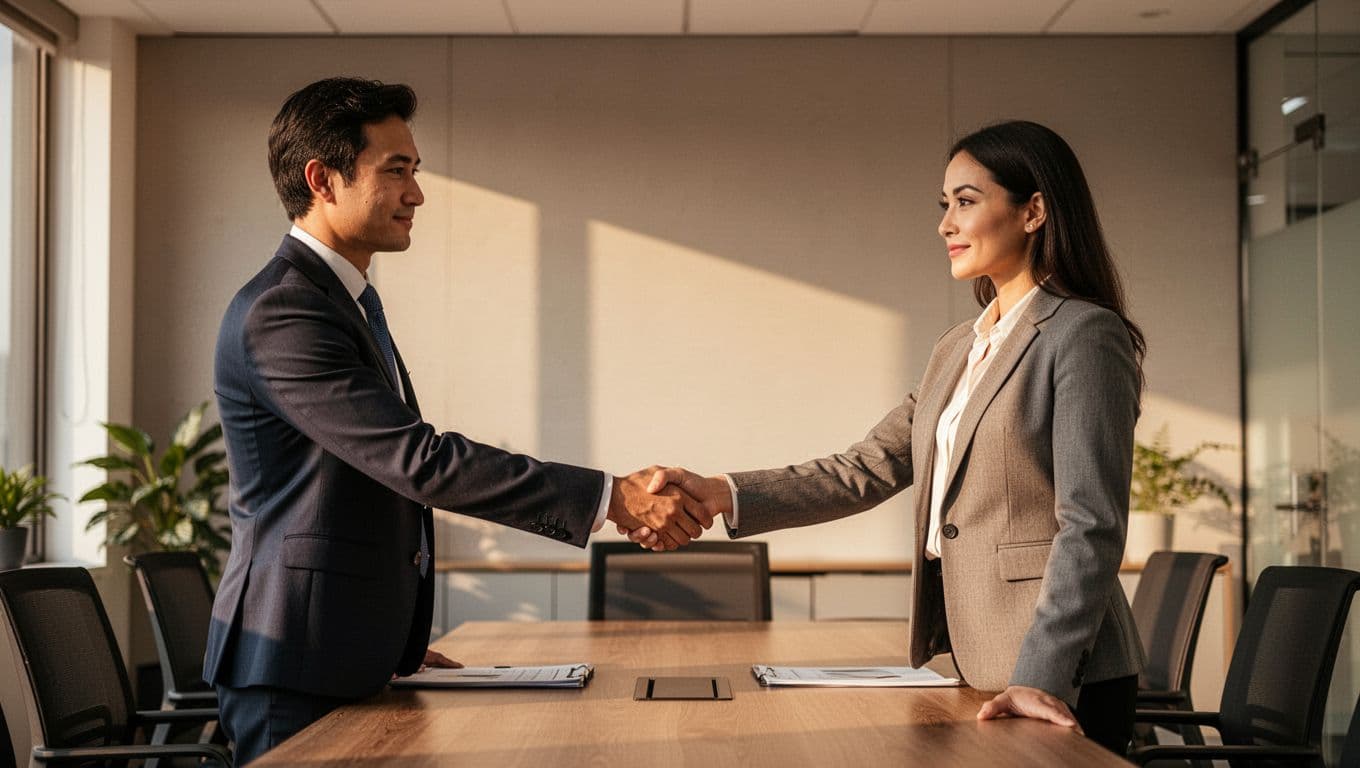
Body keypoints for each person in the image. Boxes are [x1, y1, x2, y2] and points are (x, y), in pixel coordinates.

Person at [206, 77, 709, 765]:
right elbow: (419, 462)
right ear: (323, 179)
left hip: (340, 659)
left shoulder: (345, 300)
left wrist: (393, 644)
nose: (416, 194)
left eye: (416, 172)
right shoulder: (284, 311)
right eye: (397, 172)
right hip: (292, 668)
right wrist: (613, 497)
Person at [635, 120, 1146, 754]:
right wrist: (719, 493)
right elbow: (866, 468)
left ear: (1034, 211)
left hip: (1058, 678)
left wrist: (1040, 679)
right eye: (944, 206)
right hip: (977, 665)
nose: (945, 225)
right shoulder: (960, 349)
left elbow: (1091, 523)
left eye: (966, 201)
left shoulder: (1083, 336)